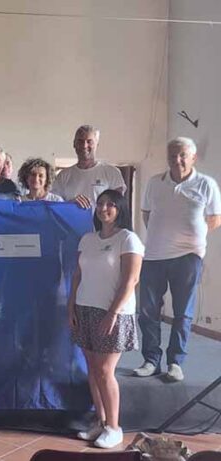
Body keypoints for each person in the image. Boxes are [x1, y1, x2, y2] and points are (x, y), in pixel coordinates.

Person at [134, 137, 221, 382]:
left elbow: (215, 218)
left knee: (183, 312)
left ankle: (175, 362)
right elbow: (146, 214)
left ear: (193, 157)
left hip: (188, 257)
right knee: (148, 311)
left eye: (183, 155)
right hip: (154, 255)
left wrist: (194, 236)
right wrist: (163, 236)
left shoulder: (206, 184)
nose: (177, 160)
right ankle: (151, 360)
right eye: (172, 155)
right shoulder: (155, 183)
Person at [67, 189, 144, 449]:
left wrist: (112, 313)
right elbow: (77, 276)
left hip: (114, 313)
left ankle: (114, 427)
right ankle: (100, 422)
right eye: (100, 204)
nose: (104, 208)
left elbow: (131, 280)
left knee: (104, 371)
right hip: (85, 309)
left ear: (120, 209)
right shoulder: (87, 239)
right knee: (92, 369)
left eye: (111, 204)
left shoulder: (128, 238)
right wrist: (71, 307)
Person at [52, 125, 126, 208]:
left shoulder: (112, 172)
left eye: (89, 142)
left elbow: (119, 207)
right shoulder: (63, 176)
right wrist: (70, 205)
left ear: (97, 144)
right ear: (74, 144)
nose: (84, 146)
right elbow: (55, 207)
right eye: (80, 141)